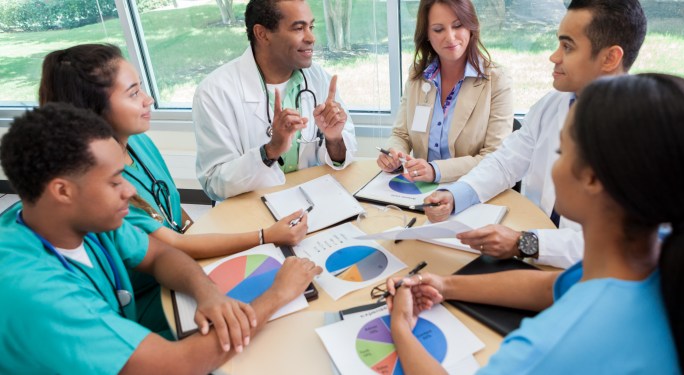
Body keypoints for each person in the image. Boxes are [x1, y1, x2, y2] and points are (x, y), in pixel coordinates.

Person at [386, 73, 684, 374]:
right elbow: (553, 286)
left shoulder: (550, 348)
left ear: (592, 178)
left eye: (561, 151)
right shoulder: (667, 251)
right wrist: (445, 285)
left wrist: (401, 327)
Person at [0, 103, 322, 374]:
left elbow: (159, 255)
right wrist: (279, 294)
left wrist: (208, 292)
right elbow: (177, 364)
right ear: (62, 191)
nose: (129, 190)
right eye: (114, 182)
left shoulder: (72, 217)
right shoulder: (37, 292)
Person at [39, 43, 311, 333]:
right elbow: (174, 245)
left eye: (141, 88)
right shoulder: (99, 187)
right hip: (150, 297)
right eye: (133, 93)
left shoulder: (138, 142)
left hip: (183, 270)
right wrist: (265, 236)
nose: (149, 99)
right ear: (93, 111)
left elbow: (173, 211)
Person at [424, 0, 647, 268]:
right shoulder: (553, 104)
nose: (554, 57)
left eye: (567, 47)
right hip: (527, 250)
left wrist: (523, 242)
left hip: (581, 273)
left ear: (610, 58)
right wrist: (456, 195)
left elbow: (612, 246)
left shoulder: (643, 138)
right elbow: (506, 161)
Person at [193, 0, 358, 201]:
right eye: (298, 28)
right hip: (251, 214)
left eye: (311, 27)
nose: (311, 37)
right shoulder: (214, 93)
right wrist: (270, 151)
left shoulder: (319, 78)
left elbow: (342, 156)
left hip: (313, 202)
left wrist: (334, 139)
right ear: (262, 34)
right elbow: (214, 184)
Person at [376, 0, 513, 183]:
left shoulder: (496, 80)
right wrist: (394, 154)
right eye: (438, 29)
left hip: (473, 191)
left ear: (471, 26)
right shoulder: (418, 76)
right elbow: (401, 135)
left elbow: (495, 158)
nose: (450, 37)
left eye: (458, 25)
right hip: (421, 192)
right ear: (427, 34)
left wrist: (436, 170)